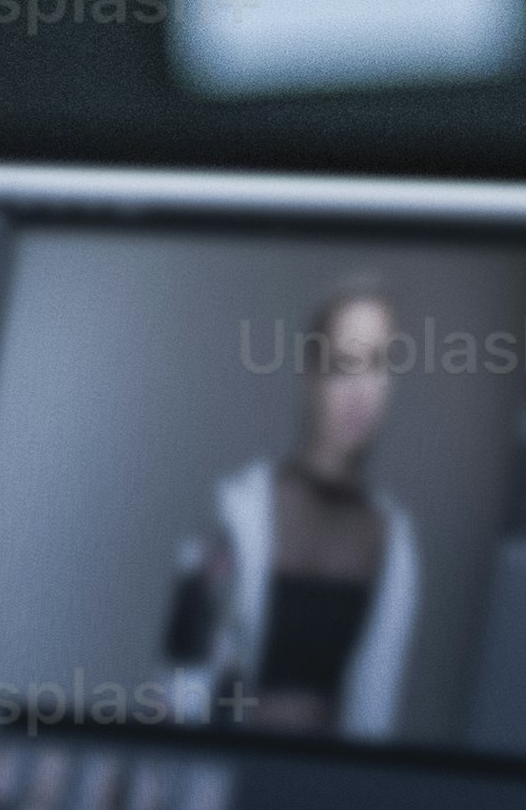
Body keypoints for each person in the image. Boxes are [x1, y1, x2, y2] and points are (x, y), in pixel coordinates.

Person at [160, 278, 424, 740]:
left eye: (378, 365)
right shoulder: (236, 510)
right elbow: (183, 680)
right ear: (311, 375)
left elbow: (374, 716)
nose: (361, 390)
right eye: (344, 365)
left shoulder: (392, 541)